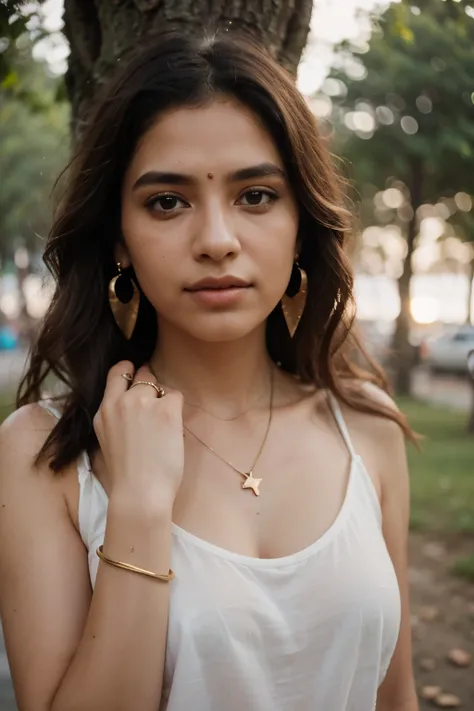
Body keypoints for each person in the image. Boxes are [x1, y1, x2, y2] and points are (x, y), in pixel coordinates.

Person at [0, 31, 419, 711]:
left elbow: (395, 696)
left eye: (256, 195)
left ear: (298, 222)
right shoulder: (42, 453)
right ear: (119, 241)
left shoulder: (366, 426)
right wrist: (137, 504)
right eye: (168, 201)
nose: (218, 240)